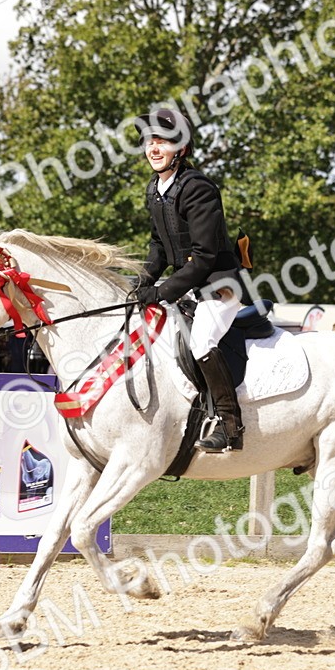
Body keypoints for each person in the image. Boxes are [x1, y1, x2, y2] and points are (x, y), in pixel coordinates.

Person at [131, 107, 247, 453]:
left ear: (180, 148)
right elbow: (158, 246)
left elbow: (205, 256)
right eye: (149, 141)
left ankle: (230, 425)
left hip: (219, 285)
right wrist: (141, 282)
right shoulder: (156, 189)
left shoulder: (198, 188)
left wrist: (162, 291)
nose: (153, 148)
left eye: (162, 142)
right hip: (190, 285)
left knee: (201, 341)